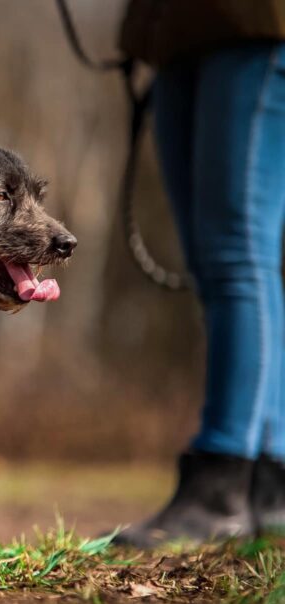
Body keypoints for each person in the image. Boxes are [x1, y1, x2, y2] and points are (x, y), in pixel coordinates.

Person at [115, 0, 285, 547]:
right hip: (175, 36)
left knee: (237, 253)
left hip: (257, 23)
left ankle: (222, 481)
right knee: (216, 264)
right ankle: (269, 483)